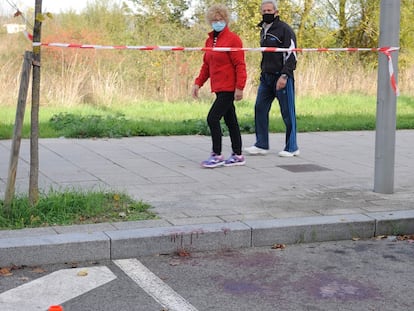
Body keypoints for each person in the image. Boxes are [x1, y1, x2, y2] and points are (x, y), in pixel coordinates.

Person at [192, 4, 247, 168]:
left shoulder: (233, 39)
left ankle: (217, 154)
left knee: (212, 118)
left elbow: (240, 65)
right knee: (231, 121)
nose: (218, 22)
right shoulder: (210, 41)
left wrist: (240, 87)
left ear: (226, 20)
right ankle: (238, 154)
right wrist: (197, 83)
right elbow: (206, 66)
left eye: (220, 19)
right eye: (215, 20)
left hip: (229, 88)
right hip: (218, 87)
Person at [244, 0, 299, 157]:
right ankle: (261, 144)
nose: (266, 13)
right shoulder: (263, 29)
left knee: (287, 112)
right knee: (259, 108)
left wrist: (284, 75)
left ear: (276, 12)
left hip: (281, 77)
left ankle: (292, 147)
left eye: (269, 10)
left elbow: (292, 55)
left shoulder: (285, 29)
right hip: (266, 77)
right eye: (264, 10)